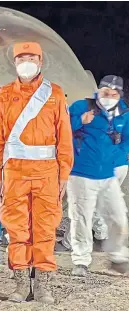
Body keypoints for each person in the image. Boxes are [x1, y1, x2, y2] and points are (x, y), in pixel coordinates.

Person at [0, 41, 74, 304]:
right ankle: (22, 284)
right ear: (14, 63)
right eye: (21, 58)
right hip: (14, 173)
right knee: (16, 229)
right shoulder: (2, 95)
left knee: (45, 228)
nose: (26, 62)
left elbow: (64, 139)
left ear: (40, 61)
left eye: (31, 57)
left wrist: (63, 176)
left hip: (47, 172)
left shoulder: (55, 94)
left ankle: (44, 285)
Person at [67, 75, 129, 277]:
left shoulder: (123, 113)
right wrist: (79, 121)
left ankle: (117, 257)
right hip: (81, 174)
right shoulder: (81, 106)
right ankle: (81, 261)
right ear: (98, 91)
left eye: (114, 94)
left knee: (118, 215)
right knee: (81, 217)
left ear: (120, 95)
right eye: (105, 93)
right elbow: (61, 130)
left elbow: (126, 139)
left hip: (107, 173)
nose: (109, 97)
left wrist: (116, 154)